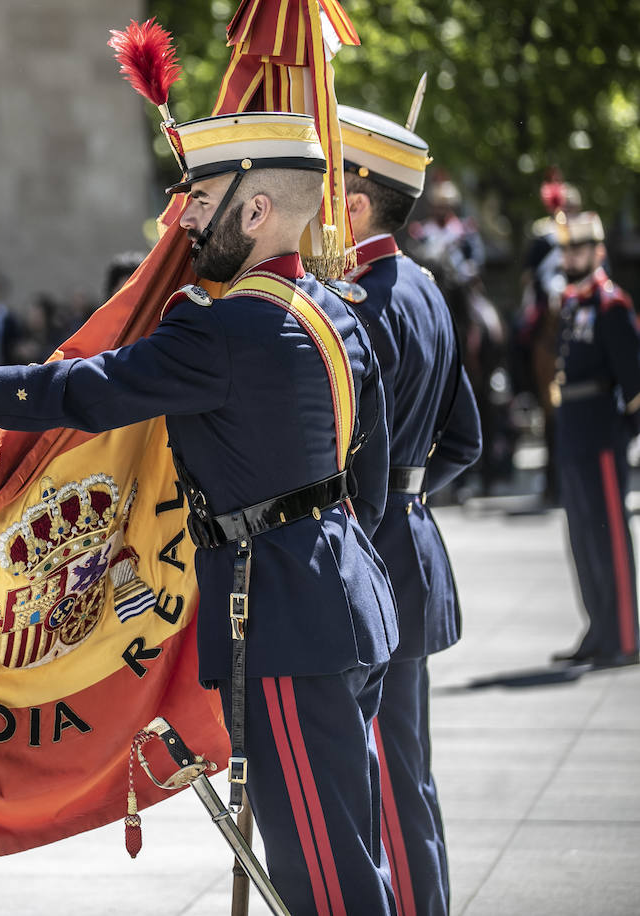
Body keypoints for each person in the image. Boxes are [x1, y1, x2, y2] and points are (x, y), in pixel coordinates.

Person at [0, 112, 398, 914]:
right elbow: (366, 473)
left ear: (256, 211)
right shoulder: (333, 309)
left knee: (324, 875)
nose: (186, 219)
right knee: (350, 844)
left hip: (283, 619)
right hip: (345, 597)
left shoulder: (227, 328)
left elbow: (73, 391)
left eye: (202, 200)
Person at [340, 105, 483, 916]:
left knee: (382, 776)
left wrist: (377, 507)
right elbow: (464, 438)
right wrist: (412, 497)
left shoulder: (358, 303)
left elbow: (354, 452)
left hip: (372, 556)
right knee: (408, 770)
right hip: (413, 541)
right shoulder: (425, 288)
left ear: (356, 203)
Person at [547, 212, 640, 669]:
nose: (570, 257)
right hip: (573, 434)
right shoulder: (570, 301)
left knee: (610, 541)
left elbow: (635, 382)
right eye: (566, 249)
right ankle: (598, 630)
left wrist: (627, 435)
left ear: (599, 252)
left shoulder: (610, 304)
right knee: (582, 539)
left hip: (602, 436)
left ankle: (624, 637)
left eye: (579, 249)